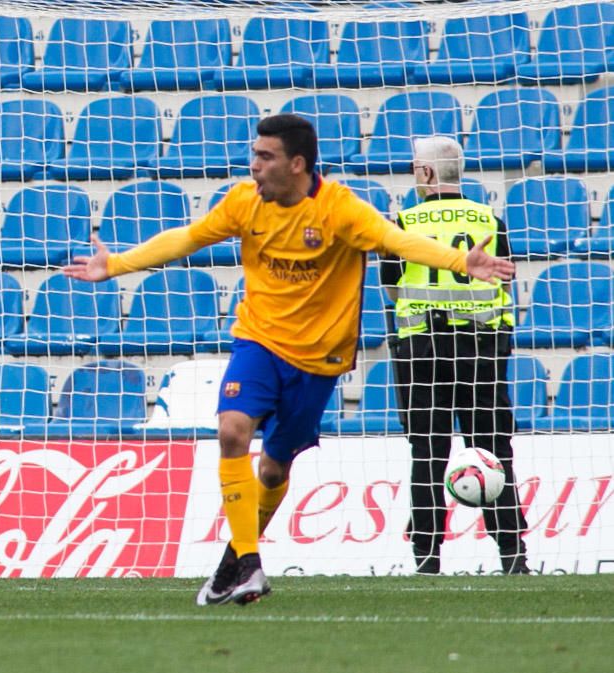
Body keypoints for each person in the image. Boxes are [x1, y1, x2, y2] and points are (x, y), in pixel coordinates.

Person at [63, 114, 516, 605]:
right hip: (258, 341)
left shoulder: (340, 209)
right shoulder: (243, 202)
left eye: (265, 156)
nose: (253, 165)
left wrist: (459, 262)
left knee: (274, 471)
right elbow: (189, 237)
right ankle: (251, 563)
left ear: (296, 164)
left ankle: (232, 563)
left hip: (318, 362)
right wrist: (117, 265)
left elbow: (396, 241)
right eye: (254, 154)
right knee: (232, 430)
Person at [380, 136, 530, 575]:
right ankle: (513, 557)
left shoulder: (401, 223)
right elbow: (502, 279)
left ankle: (427, 559)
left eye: (414, 167)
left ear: (426, 173)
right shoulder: (490, 219)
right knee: (494, 451)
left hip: (422, 351)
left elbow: (392, 289)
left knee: (427, 453)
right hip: (481, 350)